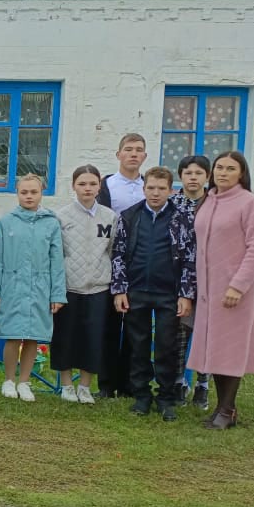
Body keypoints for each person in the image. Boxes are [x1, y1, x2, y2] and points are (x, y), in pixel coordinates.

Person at [187, 152, 254, 430]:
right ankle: (222, 408)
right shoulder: (208, 201)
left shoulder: (252, 204)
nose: (223, 172)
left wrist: (238, 285)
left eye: (230, 168)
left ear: (241, 173)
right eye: (219, 167)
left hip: (235, 291)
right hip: (208, 291)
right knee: (213, 349)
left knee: (230, 350)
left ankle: (227, 409)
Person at [110, 166, 195, 421]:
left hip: (169, 293)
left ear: (171, 190)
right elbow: (119, 254)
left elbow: (190, 258)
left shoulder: (182, 218)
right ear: (144, 188)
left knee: (166, 347)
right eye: (151, 188)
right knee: (138, 344)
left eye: (161, 189)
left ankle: (166, 397)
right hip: (137, 290)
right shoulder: (130, 216)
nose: (155, 193)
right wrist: (120, 290)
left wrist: (185, 294)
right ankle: (142, 395)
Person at [0, 174, 66, 402]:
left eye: (34, 192)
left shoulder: (51, 223)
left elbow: (57, 261)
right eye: (24, 192)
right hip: (12, 286)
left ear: (41, 193)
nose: (29, 196)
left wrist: (57, 293)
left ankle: (24, 381)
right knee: (13, 335)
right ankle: (9, 380)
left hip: (40, 287)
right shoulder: (7, 222)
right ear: (18, 194)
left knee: (33, 336)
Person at [51, 165, 117, 404]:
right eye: (82, 184)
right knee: (65, 336)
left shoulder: (110, 217)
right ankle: (67, 385)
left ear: (99, 186)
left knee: (93, 337)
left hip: (99, 287)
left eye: (92, 184)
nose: (87, 188)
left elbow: (111, 251)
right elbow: (57, 253)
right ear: (74, 186)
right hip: (70, 286)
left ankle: (85, 386)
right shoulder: (61, 217)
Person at [96, 132, 148, 398]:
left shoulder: (149, 186)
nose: (133, 154)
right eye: (128, 149)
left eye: (139, 150)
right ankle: (106, 384)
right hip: (110, 261)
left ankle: (130, 383)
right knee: (109, 325)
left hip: (139, 263)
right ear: (118, 154)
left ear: (145, 156)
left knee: (134, 327)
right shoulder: (106, 186)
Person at [170, 154, 212, 408]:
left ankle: (202, 384)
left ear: (207, 176)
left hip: (208, 276)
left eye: (198, 173)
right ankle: (178, 382)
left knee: (204, 332)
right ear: (181, 176)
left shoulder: (214, 203)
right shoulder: (172, 203)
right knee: (179, 331)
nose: (193, 178)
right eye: (188, 173)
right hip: (176, 277)